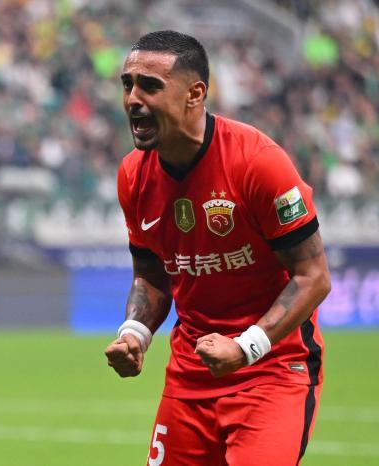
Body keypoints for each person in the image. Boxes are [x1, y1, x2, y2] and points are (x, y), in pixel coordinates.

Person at [104, 30, 331, 466]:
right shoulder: (133, 175)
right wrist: (135, 333)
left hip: (271, 370)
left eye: (150, 86)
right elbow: (151, 276)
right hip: (192, 373)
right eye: (127, 84)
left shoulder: (257, 162)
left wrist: (246, 348)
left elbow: (314, 276)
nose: (132, 98)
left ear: (195, 94)